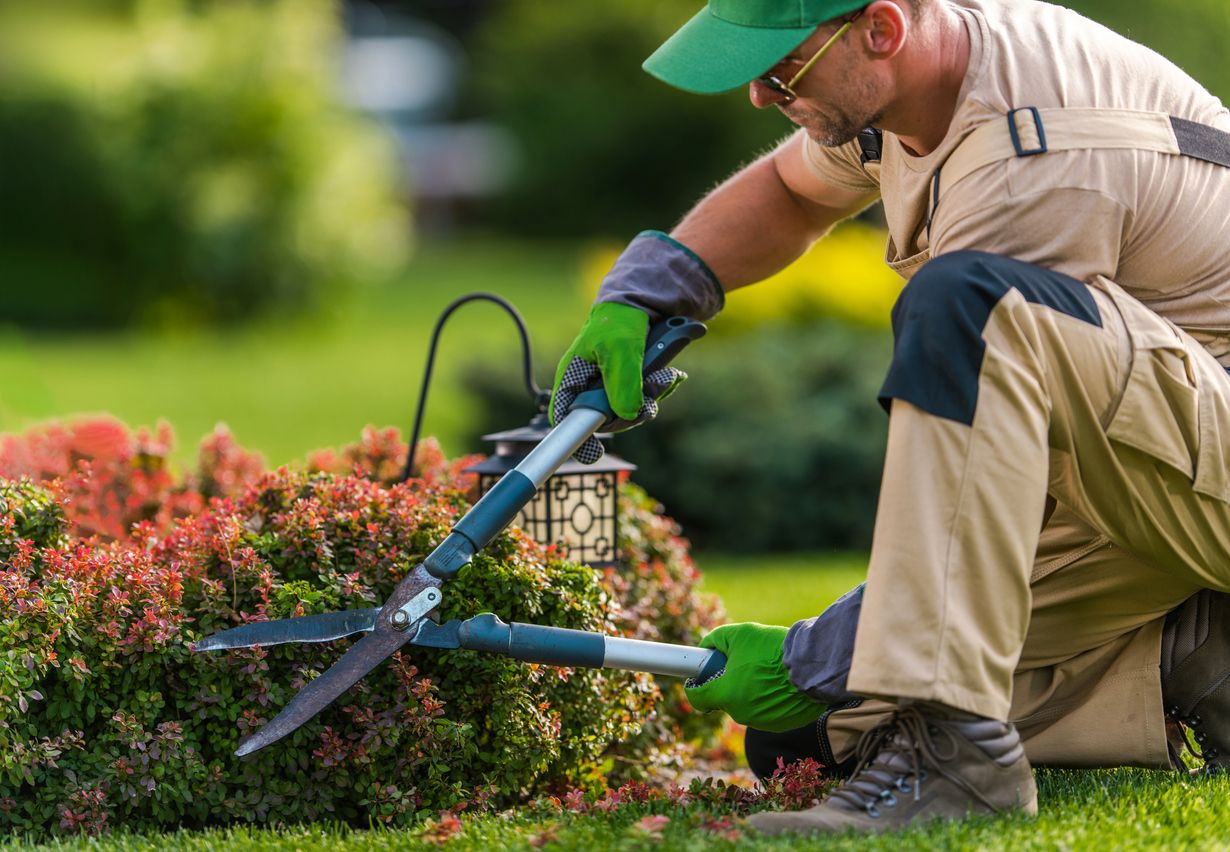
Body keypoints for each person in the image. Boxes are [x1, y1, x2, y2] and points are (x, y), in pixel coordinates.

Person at [549, 0, 1230, 836]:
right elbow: (792, 192)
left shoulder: (1033, 159)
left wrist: (819, 652)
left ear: (880, 28)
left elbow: (1025, 512)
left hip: (1193, 467)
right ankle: (1189, 657)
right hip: (1164, 446)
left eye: (780, 67)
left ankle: (961, 761)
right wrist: (654, 286)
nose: (761, 95)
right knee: (804, 740)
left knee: (967, 305)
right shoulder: (922, 85)